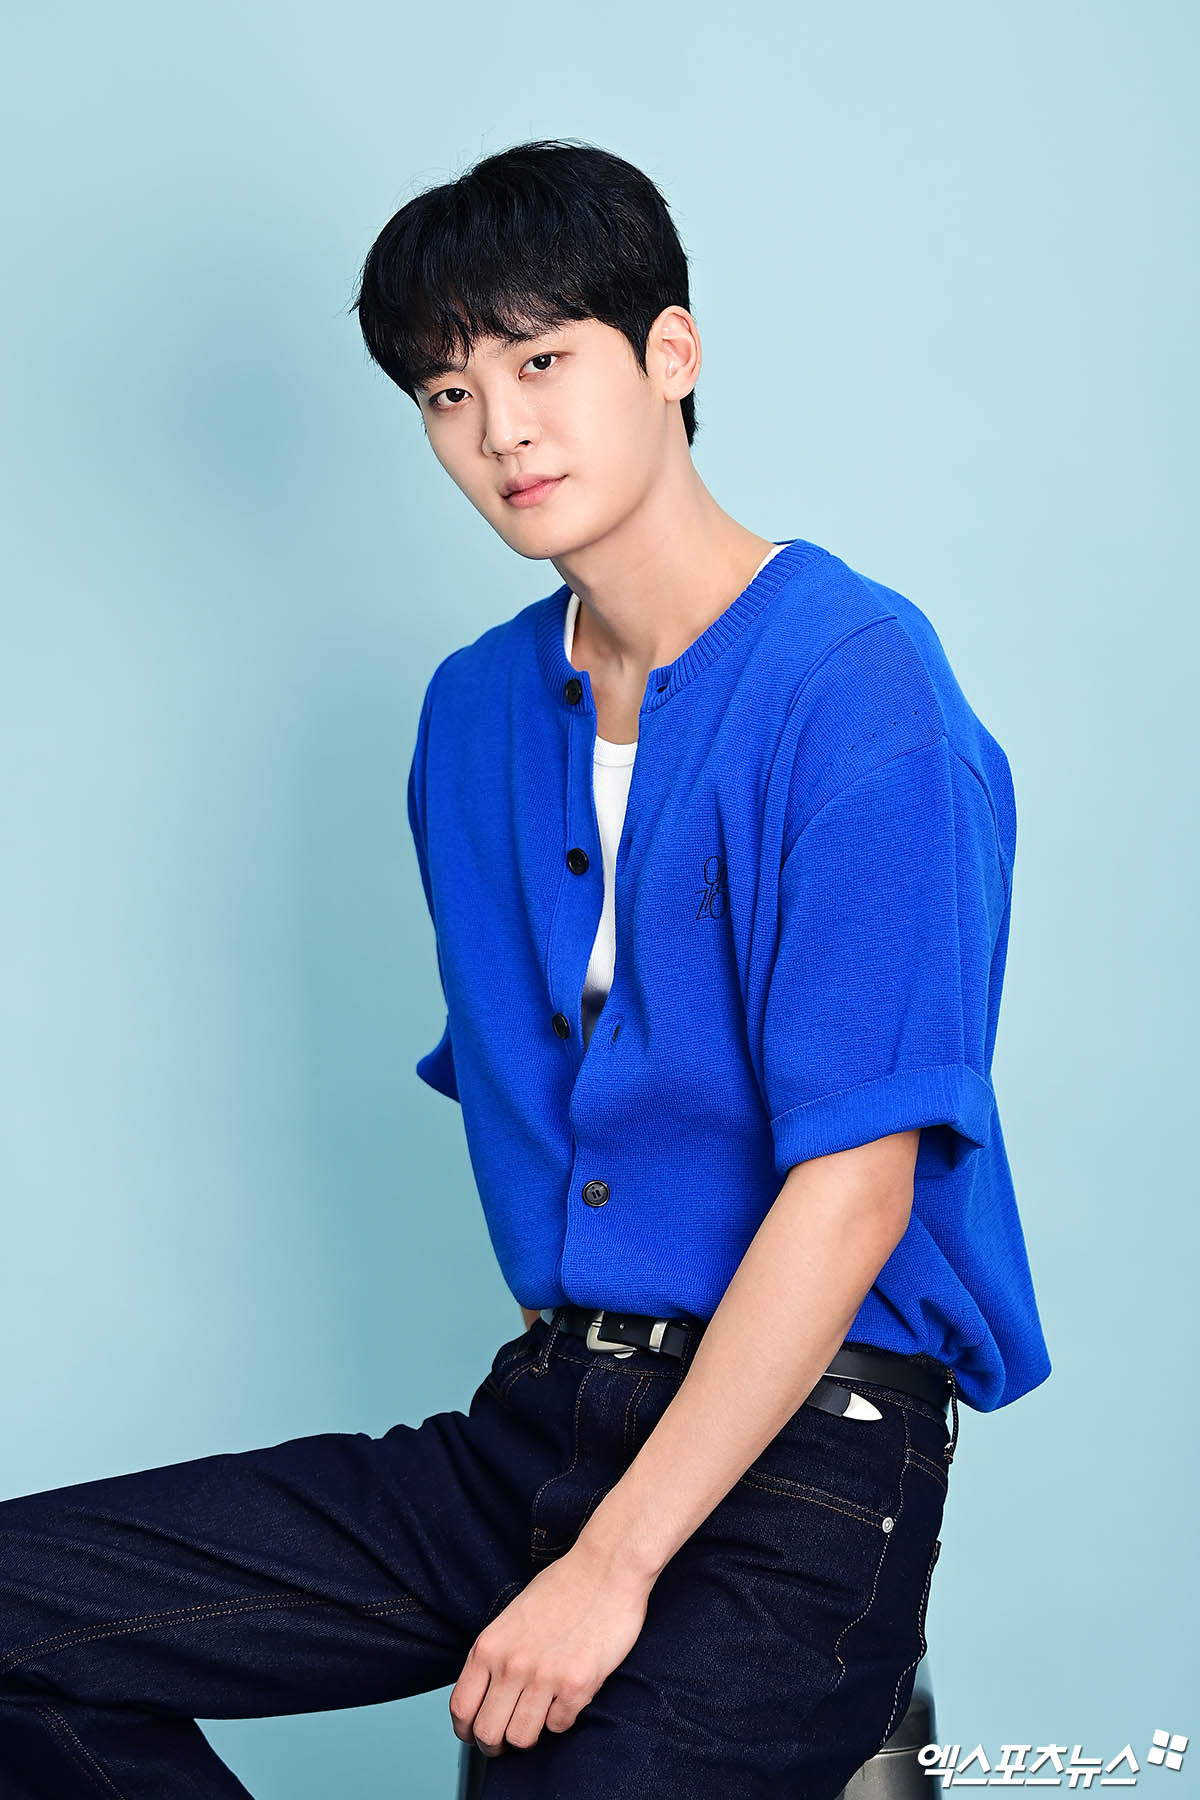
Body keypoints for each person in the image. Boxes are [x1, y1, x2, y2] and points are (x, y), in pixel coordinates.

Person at [0, 138, 1050, 1799]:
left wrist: (615, 1565)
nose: (500, 430)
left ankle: (847, 1699)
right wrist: (574, 1508)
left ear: (671, 354)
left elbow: (857, 1188)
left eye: (543, 361)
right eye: (447, 393)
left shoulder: (857, 685)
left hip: (805, 1467)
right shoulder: (473, 715)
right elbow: (554, 1133)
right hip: (543, 1425)